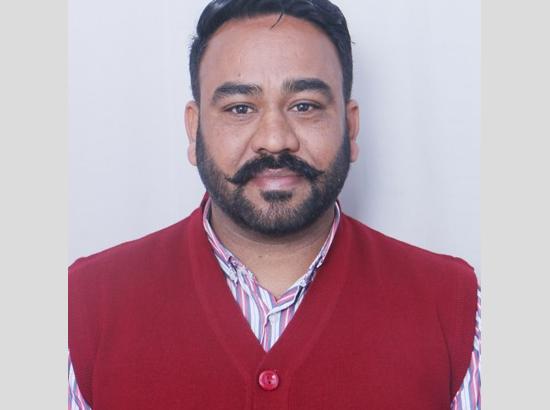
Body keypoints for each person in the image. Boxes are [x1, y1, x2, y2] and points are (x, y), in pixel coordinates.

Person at [68, 0, 480, 409]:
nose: (275, 139)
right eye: (240, 108)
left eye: (305, 106)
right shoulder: (81, 307)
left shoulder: (457, 307)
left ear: (350, 126)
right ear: (194, 130)